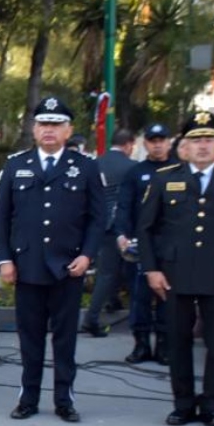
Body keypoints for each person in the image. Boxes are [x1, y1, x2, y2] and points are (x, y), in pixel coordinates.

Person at [0, 97, 104, 422]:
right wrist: (4, 260)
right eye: (43, 124)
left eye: (56, 125)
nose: (49, 130)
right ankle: (28, 398)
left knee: (65, 338)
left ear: (68, 130)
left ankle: (64, 399)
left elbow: (98, 219)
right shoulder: (16, 164)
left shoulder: (85, 167)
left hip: (68, 268)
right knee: (29, 338)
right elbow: (1, 219)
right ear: (34, 128)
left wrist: (87, 255)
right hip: (27, 267)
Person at [138, 111, 214, 426]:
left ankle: (211, 405)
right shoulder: (165, 179)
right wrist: (151, 270)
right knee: (178, 341)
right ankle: (183, 404)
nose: (202, 146)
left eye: (209, 140)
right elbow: (144, 228)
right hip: (173, 275)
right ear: (183, 146)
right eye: (196, 140)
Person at [118, 124, 173, 364]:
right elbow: (124, 206)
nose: (158, 144)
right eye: (153, 140)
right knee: (140, 297)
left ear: (169, 142)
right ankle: (141, 345)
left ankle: (163, 345)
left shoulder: (180, 170)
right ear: (145, 144)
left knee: (166, 296)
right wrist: (121, 234)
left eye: (162, 140)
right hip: (142, 243)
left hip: (171, 244)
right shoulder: (135, 172)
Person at [83, 129, 137, 336]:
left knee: (109, 270)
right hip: (121, 226)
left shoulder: (96, 163)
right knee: (112, 273)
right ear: (129, 145)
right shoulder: (132, 167)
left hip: (99, 224)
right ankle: (91, 319)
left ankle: (113, 302)